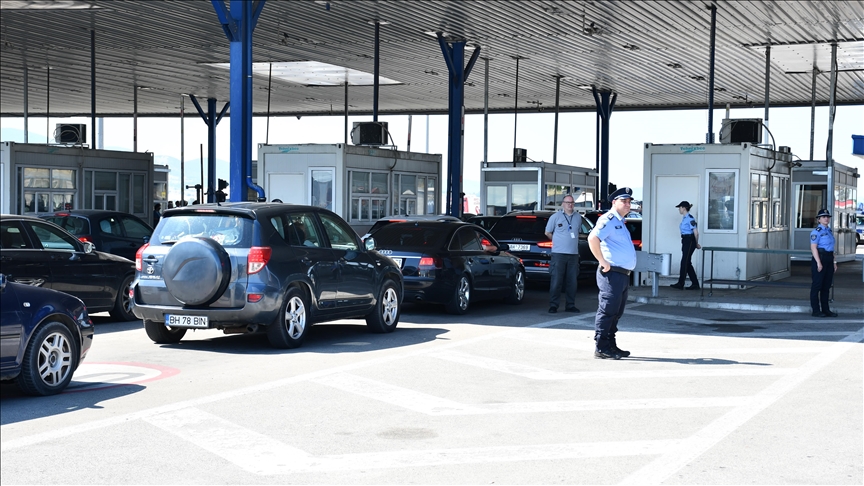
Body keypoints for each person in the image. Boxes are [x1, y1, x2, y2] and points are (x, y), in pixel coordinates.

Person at [588, 187, 638, 359]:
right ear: (614, 202)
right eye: (624, 201)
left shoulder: (620, 221)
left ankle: (611, 345)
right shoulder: (608, 219)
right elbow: (593, 238)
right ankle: (601, 347)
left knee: (616, 312)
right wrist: (602, 261)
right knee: (607, 310)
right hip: (612, 274)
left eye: (629, 202)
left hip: (622, 274)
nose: (628, 204)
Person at [544, 194, 582, 314]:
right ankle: (553, 305)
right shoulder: (555, 217)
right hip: (558, 254)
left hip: (573, 254)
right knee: (556, 281)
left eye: (572, 203)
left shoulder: (578, 217)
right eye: (567, 202)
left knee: (572, 281)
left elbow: (578, 232)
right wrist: (557, 241)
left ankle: (570, 305)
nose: (570, 205)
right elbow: (547, 232)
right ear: (563, 204)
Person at [810, 208, 838, 317]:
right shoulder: (816, 232)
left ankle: (826, 309)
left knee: (826, 286)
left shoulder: (829, 231)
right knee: (817, 285)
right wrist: (818, 262)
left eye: (827, 217)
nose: (826, 218)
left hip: (829, 259)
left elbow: (831, 248)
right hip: (820, 258)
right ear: (819, 219)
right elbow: (814, 248)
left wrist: (834, 262)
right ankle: (816, 310)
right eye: (823, 217)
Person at [670, 200, 701, 290]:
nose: (679, 209)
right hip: (685, 240)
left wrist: (696, 243)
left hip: (690, 240)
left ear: (684, 208)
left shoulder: (690, 218)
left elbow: (696, 232)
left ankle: (681, 283)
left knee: (684, 262)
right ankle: (695, 284)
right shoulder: (685, 218)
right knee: (687, 262)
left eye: (680, 207)